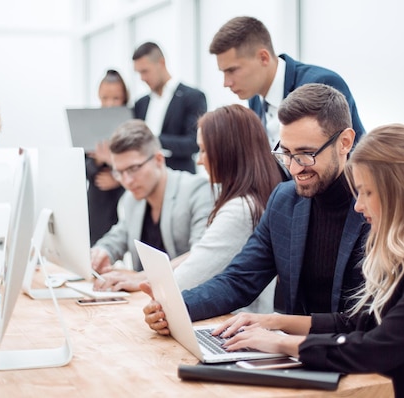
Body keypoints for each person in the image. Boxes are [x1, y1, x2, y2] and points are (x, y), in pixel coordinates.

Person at [213, 124, 404, 398]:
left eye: (366, 192)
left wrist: (281, 345)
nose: (358, 206)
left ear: (400, 190)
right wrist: (275, 323)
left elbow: (375, 348)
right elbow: (358, 324)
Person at [142, 83, 368, 333]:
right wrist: (176, 309)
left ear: (345, 142)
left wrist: (276, 325)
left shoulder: (375, 209)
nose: (293, 169)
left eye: (306, 154)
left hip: (354, 357)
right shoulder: (285, 200)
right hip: (296, 358)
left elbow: (369, 322)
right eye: (286, 154)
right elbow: (238, 280)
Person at [172, 104, 282, 313]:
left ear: (228, 152)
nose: (199, 160)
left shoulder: (241, 209)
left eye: (204, 150)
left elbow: (183, 281)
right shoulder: (254, 199)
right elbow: (200, 256)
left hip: (234, 324)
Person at [91, 119, 212, 291]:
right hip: (147, 303)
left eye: (134, 169)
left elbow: (203, 255)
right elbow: (119, 235)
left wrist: (142, 279)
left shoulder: (197, 192)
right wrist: (102, 251)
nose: (127, 181)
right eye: (119, 172)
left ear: (158, 159)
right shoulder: (131, 198)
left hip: (188, 301)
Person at [209, 16, 365, 147]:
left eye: (232, 70)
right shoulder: (254, 98)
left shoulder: (320, 83)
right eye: (223, 72)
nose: (226, 82)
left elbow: (349, 158)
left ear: (263, 58)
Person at [132, 42, 207, 174]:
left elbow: (193, 143)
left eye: (145, 71)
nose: (142, 78)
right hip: (146, 179)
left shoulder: (192, 97)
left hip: (181, 178)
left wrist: (152, 140)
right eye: (139, 73)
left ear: (161, 63)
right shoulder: (140, 104)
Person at [85, 70, 127, 245]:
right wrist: (98, 160)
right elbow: (83, 169)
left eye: (115, 98)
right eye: (105, 98)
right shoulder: (88, 125)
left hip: (124, 194)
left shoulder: (132, 125)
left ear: (124, 98)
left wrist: (117, 176)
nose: (109, 104)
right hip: (98, 201)